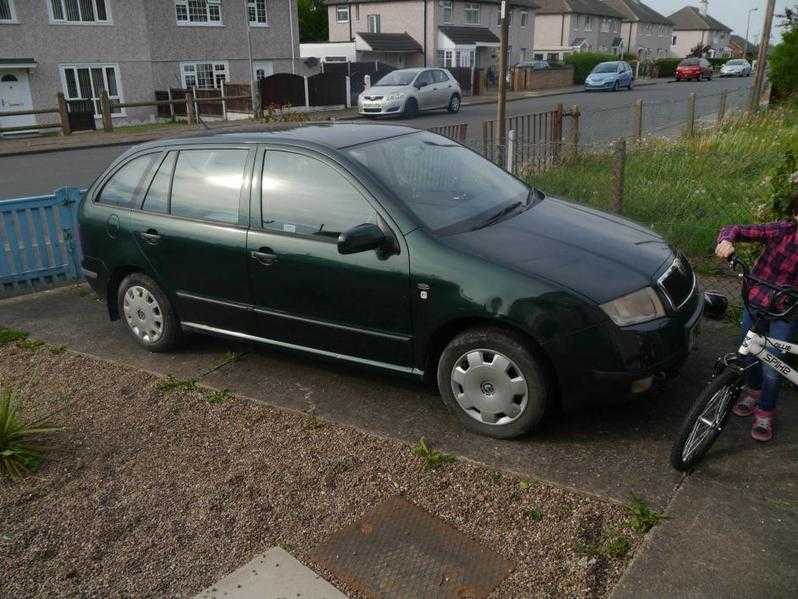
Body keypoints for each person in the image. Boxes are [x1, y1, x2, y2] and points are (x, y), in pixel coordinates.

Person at [715, 174, 798, 442]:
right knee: (748, 350)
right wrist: (726, 241)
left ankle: (766, 410)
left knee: (773, 364)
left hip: (787, 311)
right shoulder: (782, 231)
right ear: (795, 214)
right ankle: (753, 392)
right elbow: (736, 229)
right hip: (757, 300)